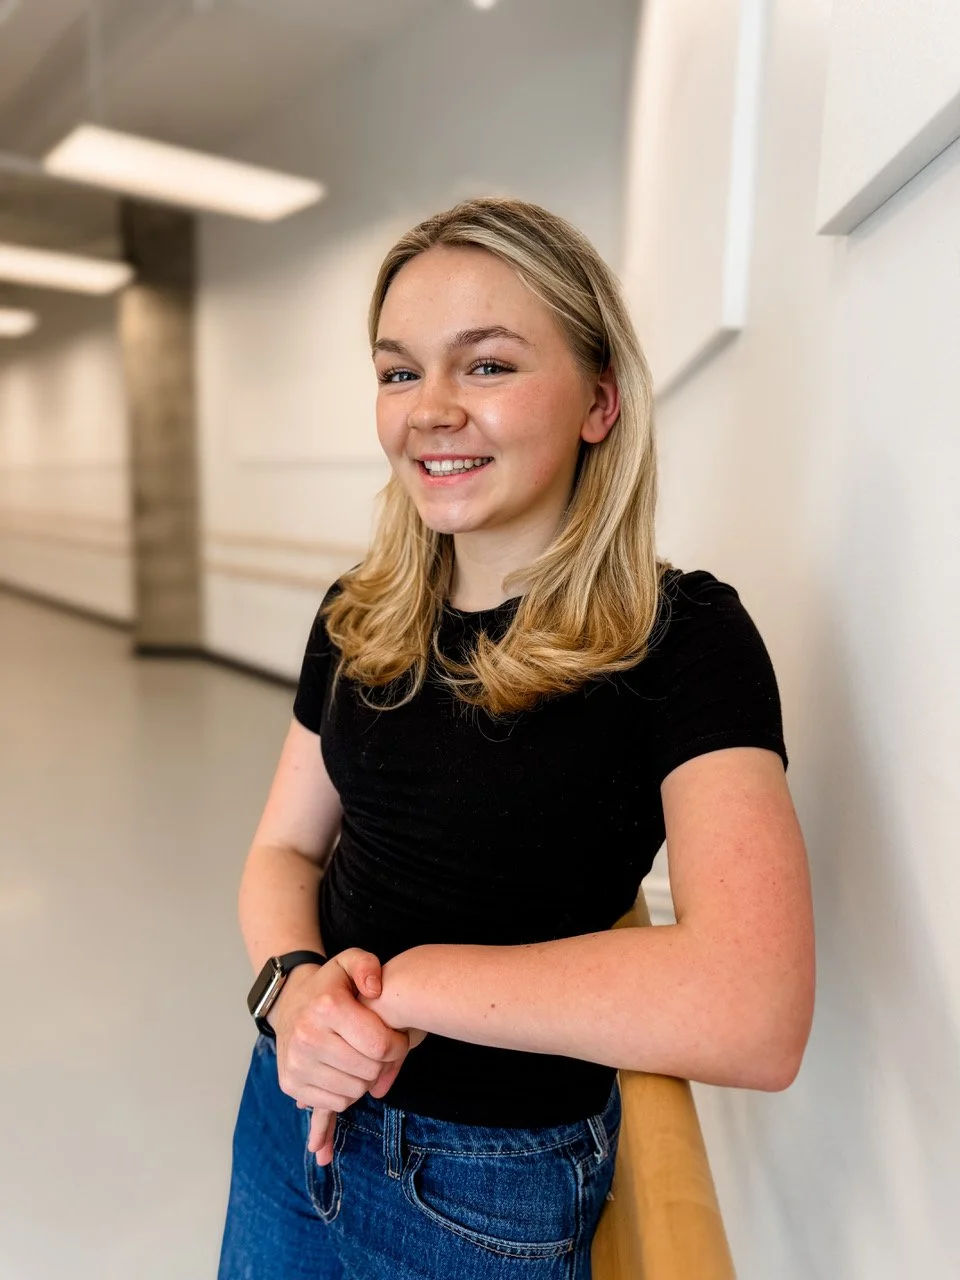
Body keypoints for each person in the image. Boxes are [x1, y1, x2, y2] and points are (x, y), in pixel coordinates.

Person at [217, 197, 815, 1280]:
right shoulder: (359, 612)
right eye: (400, 372)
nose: (429, 410)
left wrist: (406, 988)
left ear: (599, 400)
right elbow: (284, 852)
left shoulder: (683, 638)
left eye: (484, 366)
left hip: (487, 1189)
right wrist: (294, 991)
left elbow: (755, 1007)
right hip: (291, 1110)